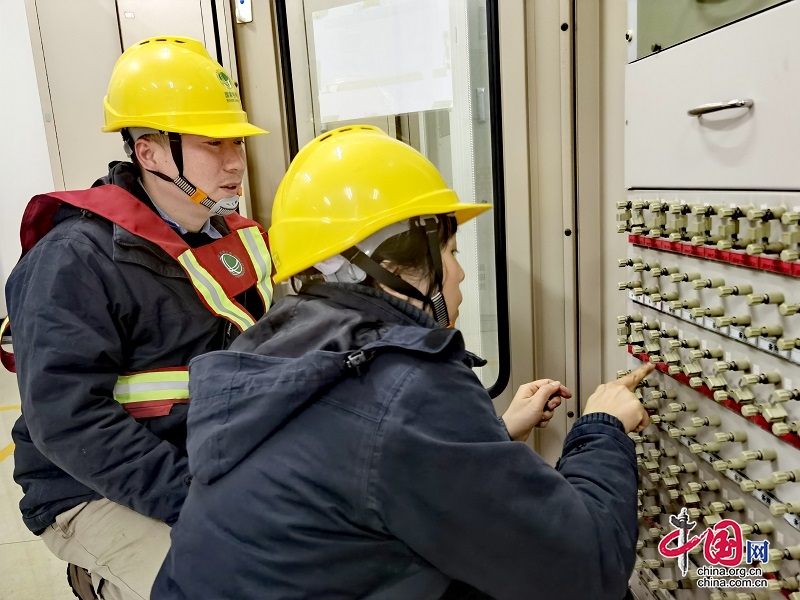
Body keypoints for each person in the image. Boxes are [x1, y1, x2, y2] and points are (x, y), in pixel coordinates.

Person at [152, 125, 652, 600]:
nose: (458, 274)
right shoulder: (406, 384)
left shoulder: (277, 346)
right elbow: (586, 571)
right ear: (384, 265)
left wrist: (497, 433)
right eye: (449, 252)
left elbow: (361, 467)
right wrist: (601, 428)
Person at [2, 36, 271, 600]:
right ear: (149, 153)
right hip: (89, 486)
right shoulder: (74, 259)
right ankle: (97, 579)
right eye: (210, 144)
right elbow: (68, 423)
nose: (232, 163)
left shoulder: (235, 239)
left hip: (209, 457)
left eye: (236, 144)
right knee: (221, 586)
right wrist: (199, 501)